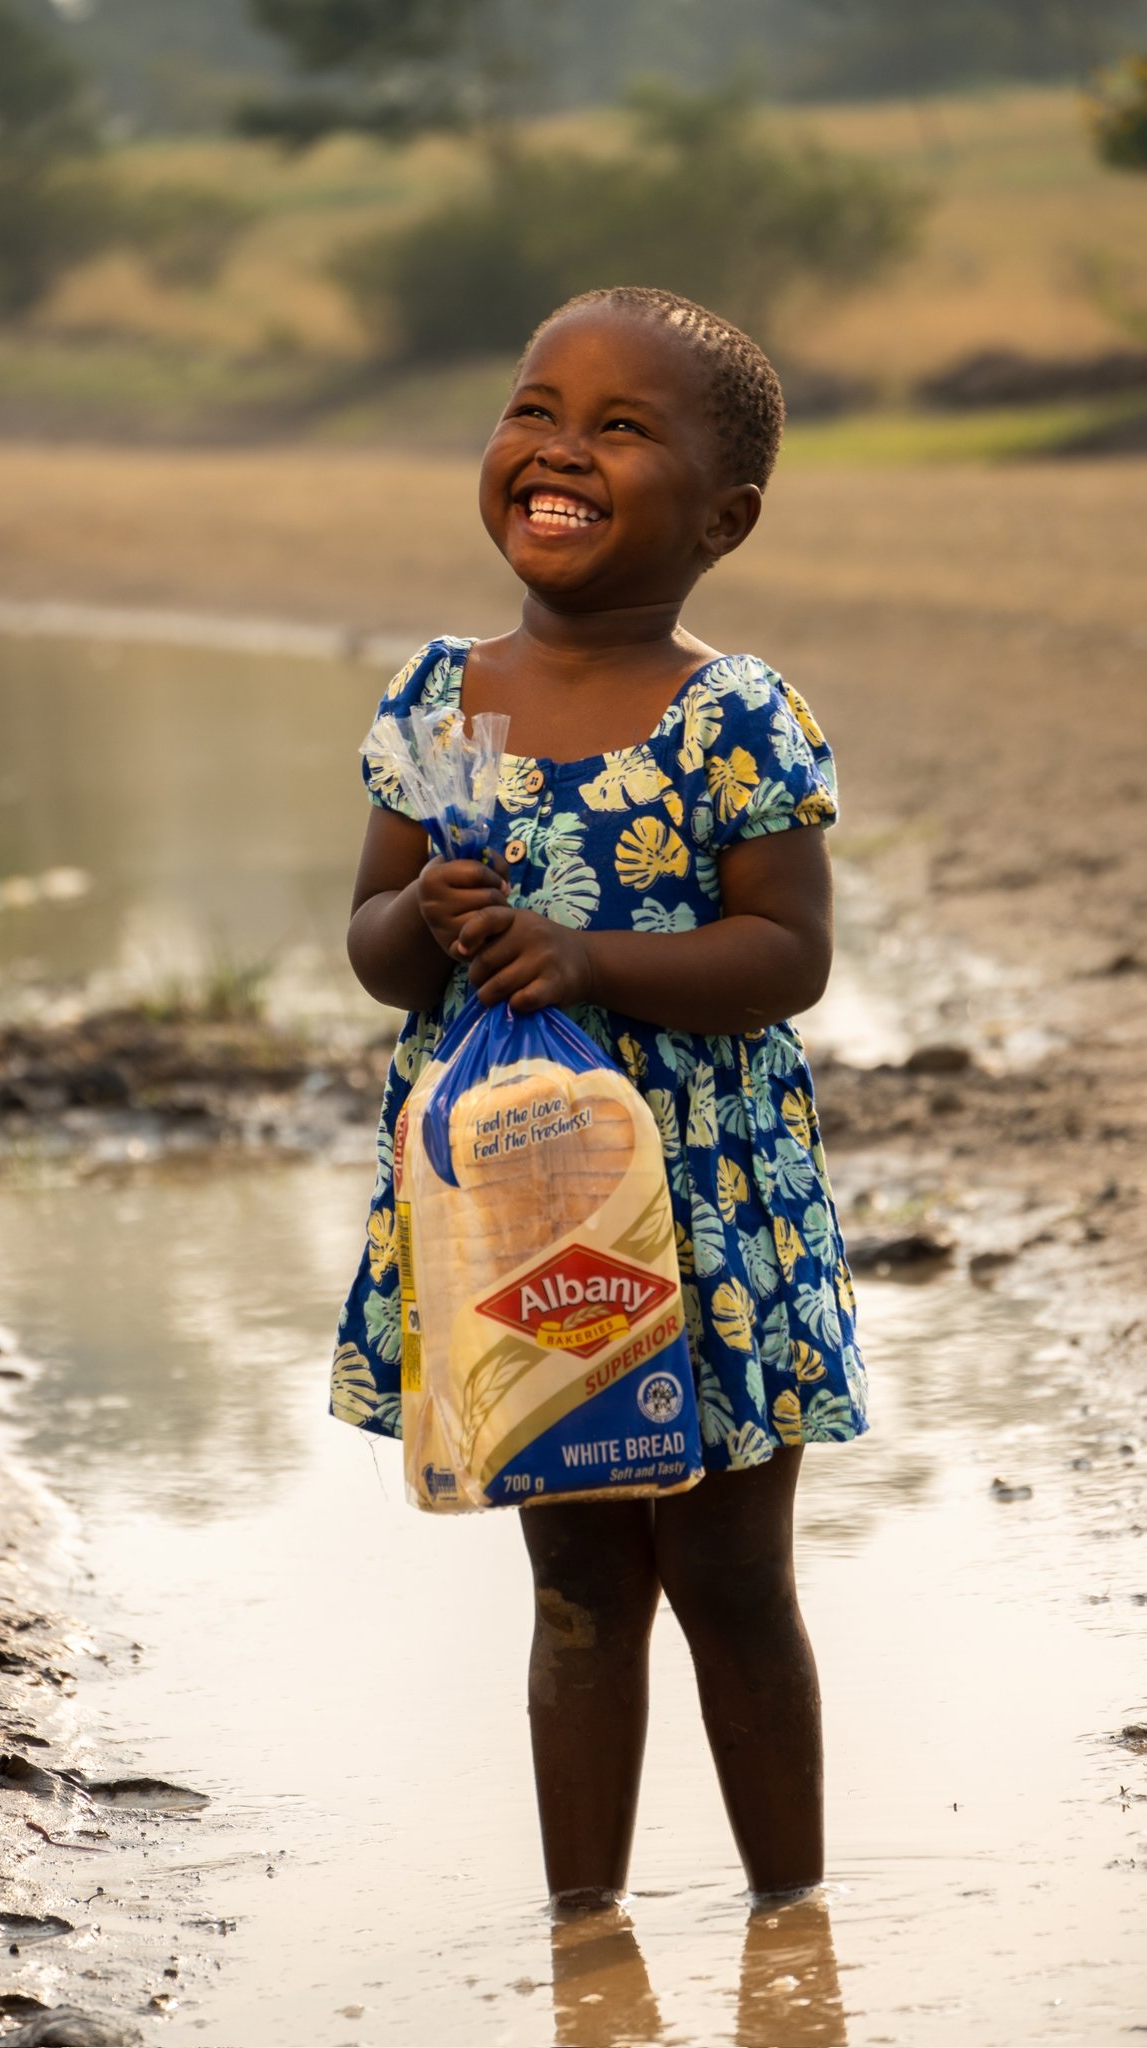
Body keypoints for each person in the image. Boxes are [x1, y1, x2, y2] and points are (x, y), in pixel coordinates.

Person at [331, 285, 867, 1909]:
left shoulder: (733, 715)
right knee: (572, 1586)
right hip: (506, 1216)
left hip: (702, 1211)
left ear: (725, 515)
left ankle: (791, 1929)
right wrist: (421, 925)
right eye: (534, 409)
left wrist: (587, 958)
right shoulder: (442, 698)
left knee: (729, 1577)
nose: (558, 450)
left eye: (620, 429)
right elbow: (370, 948)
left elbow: (785, 955)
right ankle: (588, 1944)